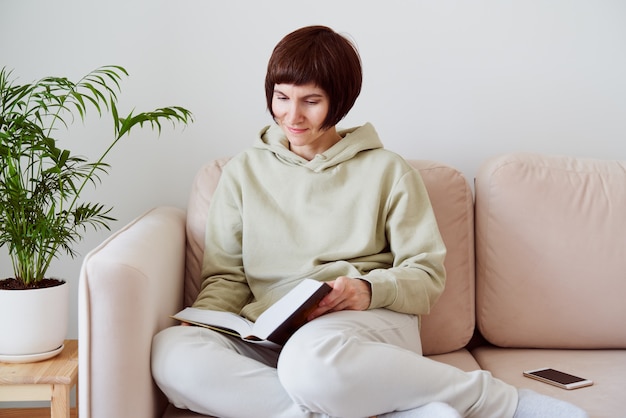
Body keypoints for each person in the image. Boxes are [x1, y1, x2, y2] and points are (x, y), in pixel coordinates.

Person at [151, 25, 588, 418]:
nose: (292, 116)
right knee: (172, 352)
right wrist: (206, 317)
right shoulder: (242, 172)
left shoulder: (388, 171)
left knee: (310, 361)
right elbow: (226, 278)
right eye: (281, 97)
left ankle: (499, 402)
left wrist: (367, 290)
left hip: (363, 325)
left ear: (340, 101)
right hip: (271, 335)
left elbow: (426, 276)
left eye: (311, 102)